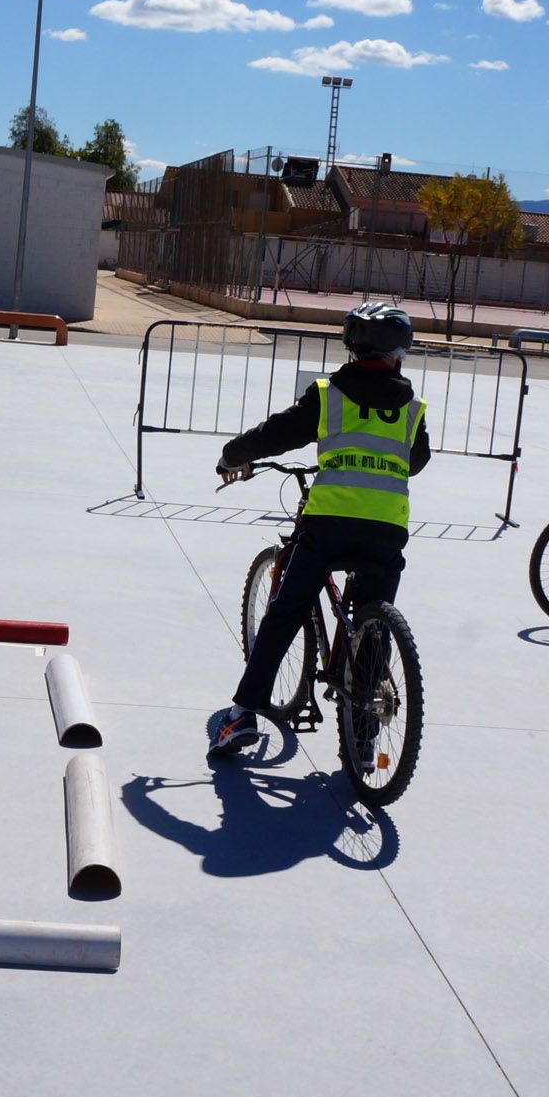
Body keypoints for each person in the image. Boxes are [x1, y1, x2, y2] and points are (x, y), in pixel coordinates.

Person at [208, 302, 431, 758]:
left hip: (328, 523)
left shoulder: (329, 394)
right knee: (375, 619)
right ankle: (365, 737)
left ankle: (242, 715)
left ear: (351, 347)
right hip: (387, 528)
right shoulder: (412, 406)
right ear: (398, 353)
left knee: (286, 612)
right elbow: (417, 460)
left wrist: (233, 455)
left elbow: (276, 433)